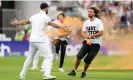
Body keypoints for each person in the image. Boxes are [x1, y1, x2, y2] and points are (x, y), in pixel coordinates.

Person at [10, 3, 65, 80]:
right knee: (49, 56)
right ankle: (47, 75)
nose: (48, 9)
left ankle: (22, 75)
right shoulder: (45, 17)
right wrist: (61, 26)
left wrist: (17, 23)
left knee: (29, 57)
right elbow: (52, 24)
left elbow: (25, 22)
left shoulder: (34, 16)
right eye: (47, 8)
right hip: (40, 40)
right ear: (46, 9)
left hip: (32, 40)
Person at [68, 7, 104, 78]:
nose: (89, 13)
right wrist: (86, 36)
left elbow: (101, 32)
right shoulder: (86, 22)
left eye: (90, 12)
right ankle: (74, 71)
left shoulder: (98, 21)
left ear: (94, 13)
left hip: (96, 44)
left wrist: (91, 36)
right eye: (88, 11)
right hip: (87, 42)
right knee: (79, 56)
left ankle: (84, 72)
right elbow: (83, 32)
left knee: (87, 60)